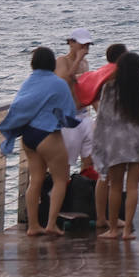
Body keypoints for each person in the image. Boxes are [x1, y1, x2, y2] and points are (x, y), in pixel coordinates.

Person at [0, 46, 77, 237]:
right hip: (48, 135)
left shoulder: (28, 82)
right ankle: (51, 224)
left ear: (33, 63)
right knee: (60, 179)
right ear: (52, 63)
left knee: (35, 181)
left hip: (28, 136)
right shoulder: (58, 83)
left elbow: (19, 106)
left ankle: (33, 225)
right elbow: (68, 113)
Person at [94, 51, 139, 240]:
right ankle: (126, 231)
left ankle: (113, 229)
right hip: (138, 143)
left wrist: (99, 144)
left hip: (116, 144)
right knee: (133, 186)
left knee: (115, 187)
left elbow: (102, 118)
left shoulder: (109, 89)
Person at [87, 43, 126, 232]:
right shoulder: (117, 76)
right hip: (113, 130)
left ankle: (101, 218)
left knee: (103, 175)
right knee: (115, 177)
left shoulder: (101, 75)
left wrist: (101, 112)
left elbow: (92, 98)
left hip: (100, 127)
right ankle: (113, 219)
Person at [56, 28, 95, 175]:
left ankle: (86, 185)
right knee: (65, 162)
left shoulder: (85, 63)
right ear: (71, 43)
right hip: (67, 117)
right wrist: (77, 59)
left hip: (83, 114)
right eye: (82, 45)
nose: (85, 49)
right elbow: (63, 84)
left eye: (87, 45)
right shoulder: (62, 61)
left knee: (90, 160)